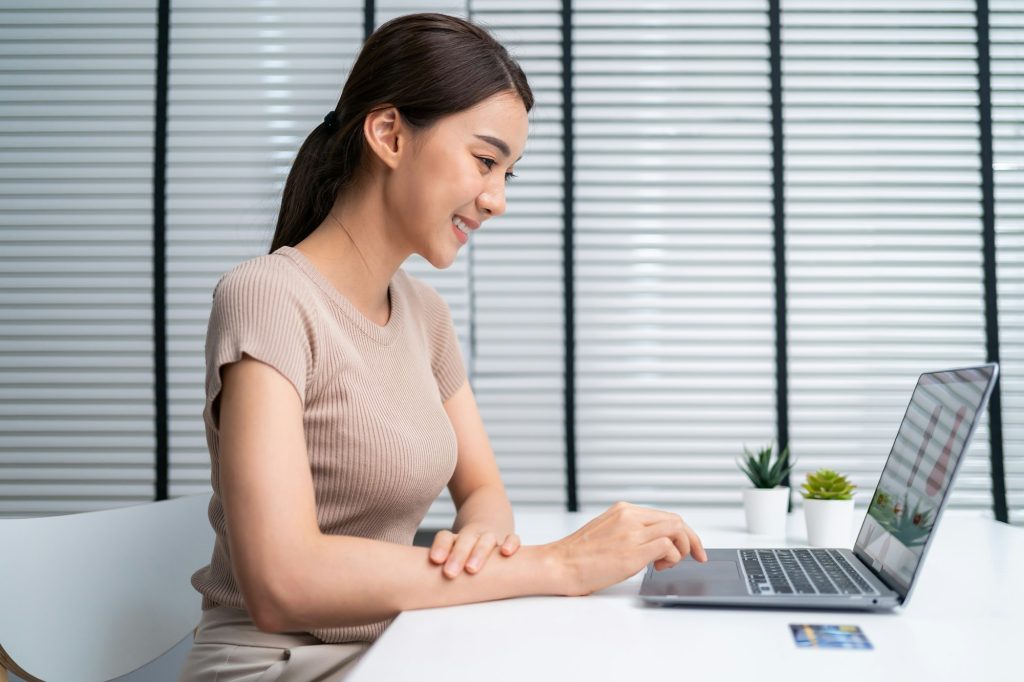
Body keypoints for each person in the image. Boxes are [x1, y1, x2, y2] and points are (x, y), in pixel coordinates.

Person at [177, 12, 707, 681]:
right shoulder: (267, 297)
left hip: (401, 646)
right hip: (280, 664)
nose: (498, 200)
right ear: (389, 134)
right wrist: (556, 564)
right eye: (486, 160)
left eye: (508, 173)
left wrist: (484, 535)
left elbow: (484, 489)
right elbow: (283, 581)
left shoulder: (425, 315)